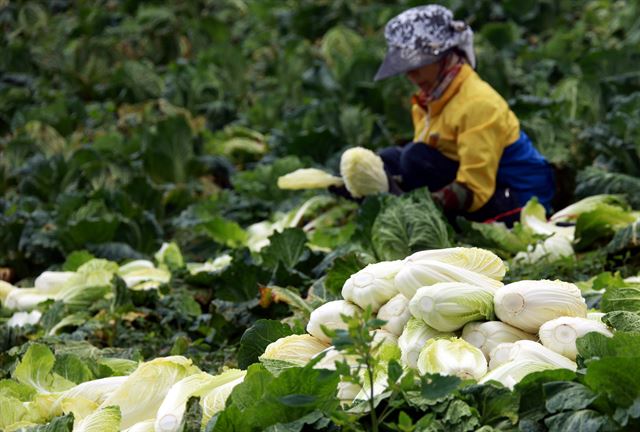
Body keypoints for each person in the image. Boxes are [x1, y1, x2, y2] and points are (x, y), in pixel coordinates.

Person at [372, 5, 555, 225]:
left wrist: (419, 206)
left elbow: (473, 188)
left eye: (418, 63)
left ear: (443, 57)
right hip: (483, 186)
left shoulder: (478, 103)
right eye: (405, 66)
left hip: (520, 201)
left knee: (414, 158)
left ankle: (444, 222)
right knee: (387, 160)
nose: (411, 74)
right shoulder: (430, 100)